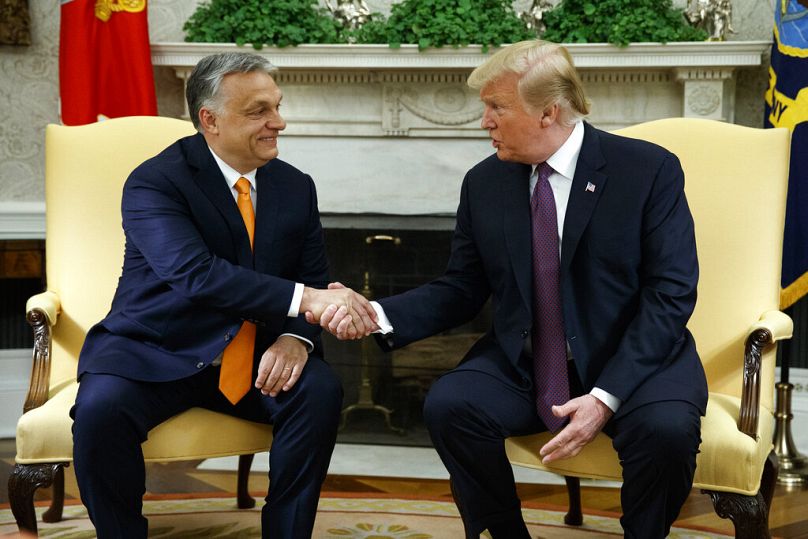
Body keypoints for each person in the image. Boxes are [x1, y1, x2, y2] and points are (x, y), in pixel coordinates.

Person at [314, 40, 707, 538]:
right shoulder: (485, 183)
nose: (484, 121)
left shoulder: (648, 170)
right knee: (451, 405)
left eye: (496, 107)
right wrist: (375, 313)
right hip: (530, 364)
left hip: (634, 362)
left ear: (549, 111)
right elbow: (462, 287)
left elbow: (669, 294)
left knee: (666, 433)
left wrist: (606, 396)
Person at [70, 52, 376, 538]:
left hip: (254, 357)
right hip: (154, 350)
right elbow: (196, 274)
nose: (279, 122)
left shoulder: (296, 186)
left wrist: (298, 338)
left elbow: (314, 277)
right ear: (209, 120)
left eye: (276, 106)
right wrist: (309, 302)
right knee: (98, 413)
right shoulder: (156, 182)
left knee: (318, 392)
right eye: (259, 111)